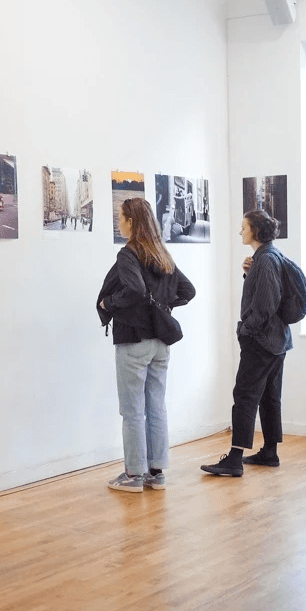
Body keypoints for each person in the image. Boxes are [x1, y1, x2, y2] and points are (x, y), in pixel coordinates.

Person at [97, 198, 195, 493]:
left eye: (121, 217)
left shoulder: (129, 253)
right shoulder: (161, 253)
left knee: (132, 410)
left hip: (134, 339)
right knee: (156, 407)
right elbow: (188, 291)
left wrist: (108, 302)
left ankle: (133, 475)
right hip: (161, 344)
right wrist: (164, 308)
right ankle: (156, 472)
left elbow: (135, 290)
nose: (118, 221)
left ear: (131, 221)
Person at [201, 210, 292, 477]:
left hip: (262, 341)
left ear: (255, 230)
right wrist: (248, 275)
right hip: (277, 340)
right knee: (269, 396)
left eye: (243, 227)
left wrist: (246, 330)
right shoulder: (268, 257)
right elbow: (266, 294)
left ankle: (235, 458)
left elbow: (264, 305)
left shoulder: (265, 260)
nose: (240, 232)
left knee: (245, 396)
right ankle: (270, 452)